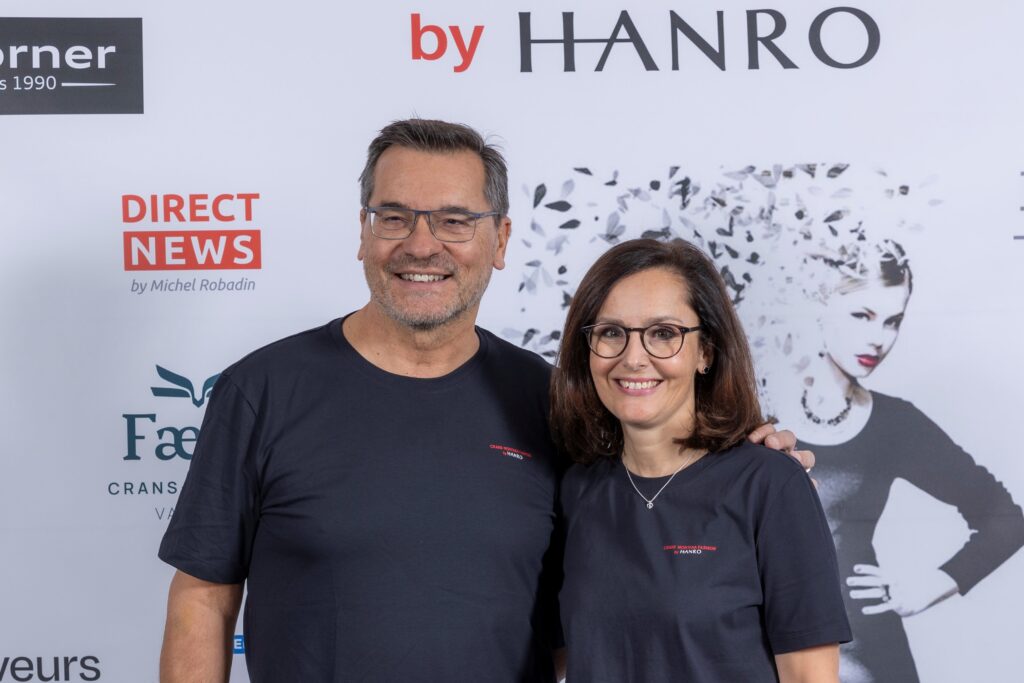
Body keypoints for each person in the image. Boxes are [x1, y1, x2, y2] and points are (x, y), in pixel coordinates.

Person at [157, 119, 808, 682]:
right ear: (363, 231)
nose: (421, 245)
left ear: (500, 240)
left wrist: (748, 460)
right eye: (395, 217)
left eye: (454, 221)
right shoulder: (262, 391)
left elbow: (645, 524)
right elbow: (202, 597)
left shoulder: (556, 403)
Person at [550, 238, 851, 682]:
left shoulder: (769, 483)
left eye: (663, 333)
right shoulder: (576, 490)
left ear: (706, 351)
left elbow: (810, 677)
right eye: (611, 332)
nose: (633, 358)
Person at [760, 236, 1024, 682]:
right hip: (766, 650)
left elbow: (1005, 517)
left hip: (870, 657)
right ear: (818, 305)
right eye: (862, 315)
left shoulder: (896, 423)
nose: (878, 338)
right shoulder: (752, 411)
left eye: (892, 321)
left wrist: (931, 585)